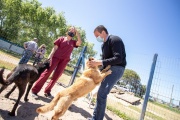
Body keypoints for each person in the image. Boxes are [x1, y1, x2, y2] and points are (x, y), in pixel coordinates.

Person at [87, 25, 127, 120]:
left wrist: (99, 62)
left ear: (103, 32)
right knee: (101, 93)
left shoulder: (115, 39)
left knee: (102, 92)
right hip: (109, 68)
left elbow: (118, 58)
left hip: (117, 68)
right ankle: (96, 118)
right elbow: (105, 63)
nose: (97, 38)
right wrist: (95, 67)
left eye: (97, 36)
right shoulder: (103, 45)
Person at [31, 26, 82, 98]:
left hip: (64, 61)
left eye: (74, 32)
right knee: (46, 73)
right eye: (71, 30)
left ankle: (47, 91)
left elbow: (79, 42)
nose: (72, 32)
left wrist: (77, 33)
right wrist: (50, 56)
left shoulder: (73, 42)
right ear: (67, 31)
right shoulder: (61, 39)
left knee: (57, 76)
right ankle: (35, 91)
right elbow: (54, 48)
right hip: (55, 58)